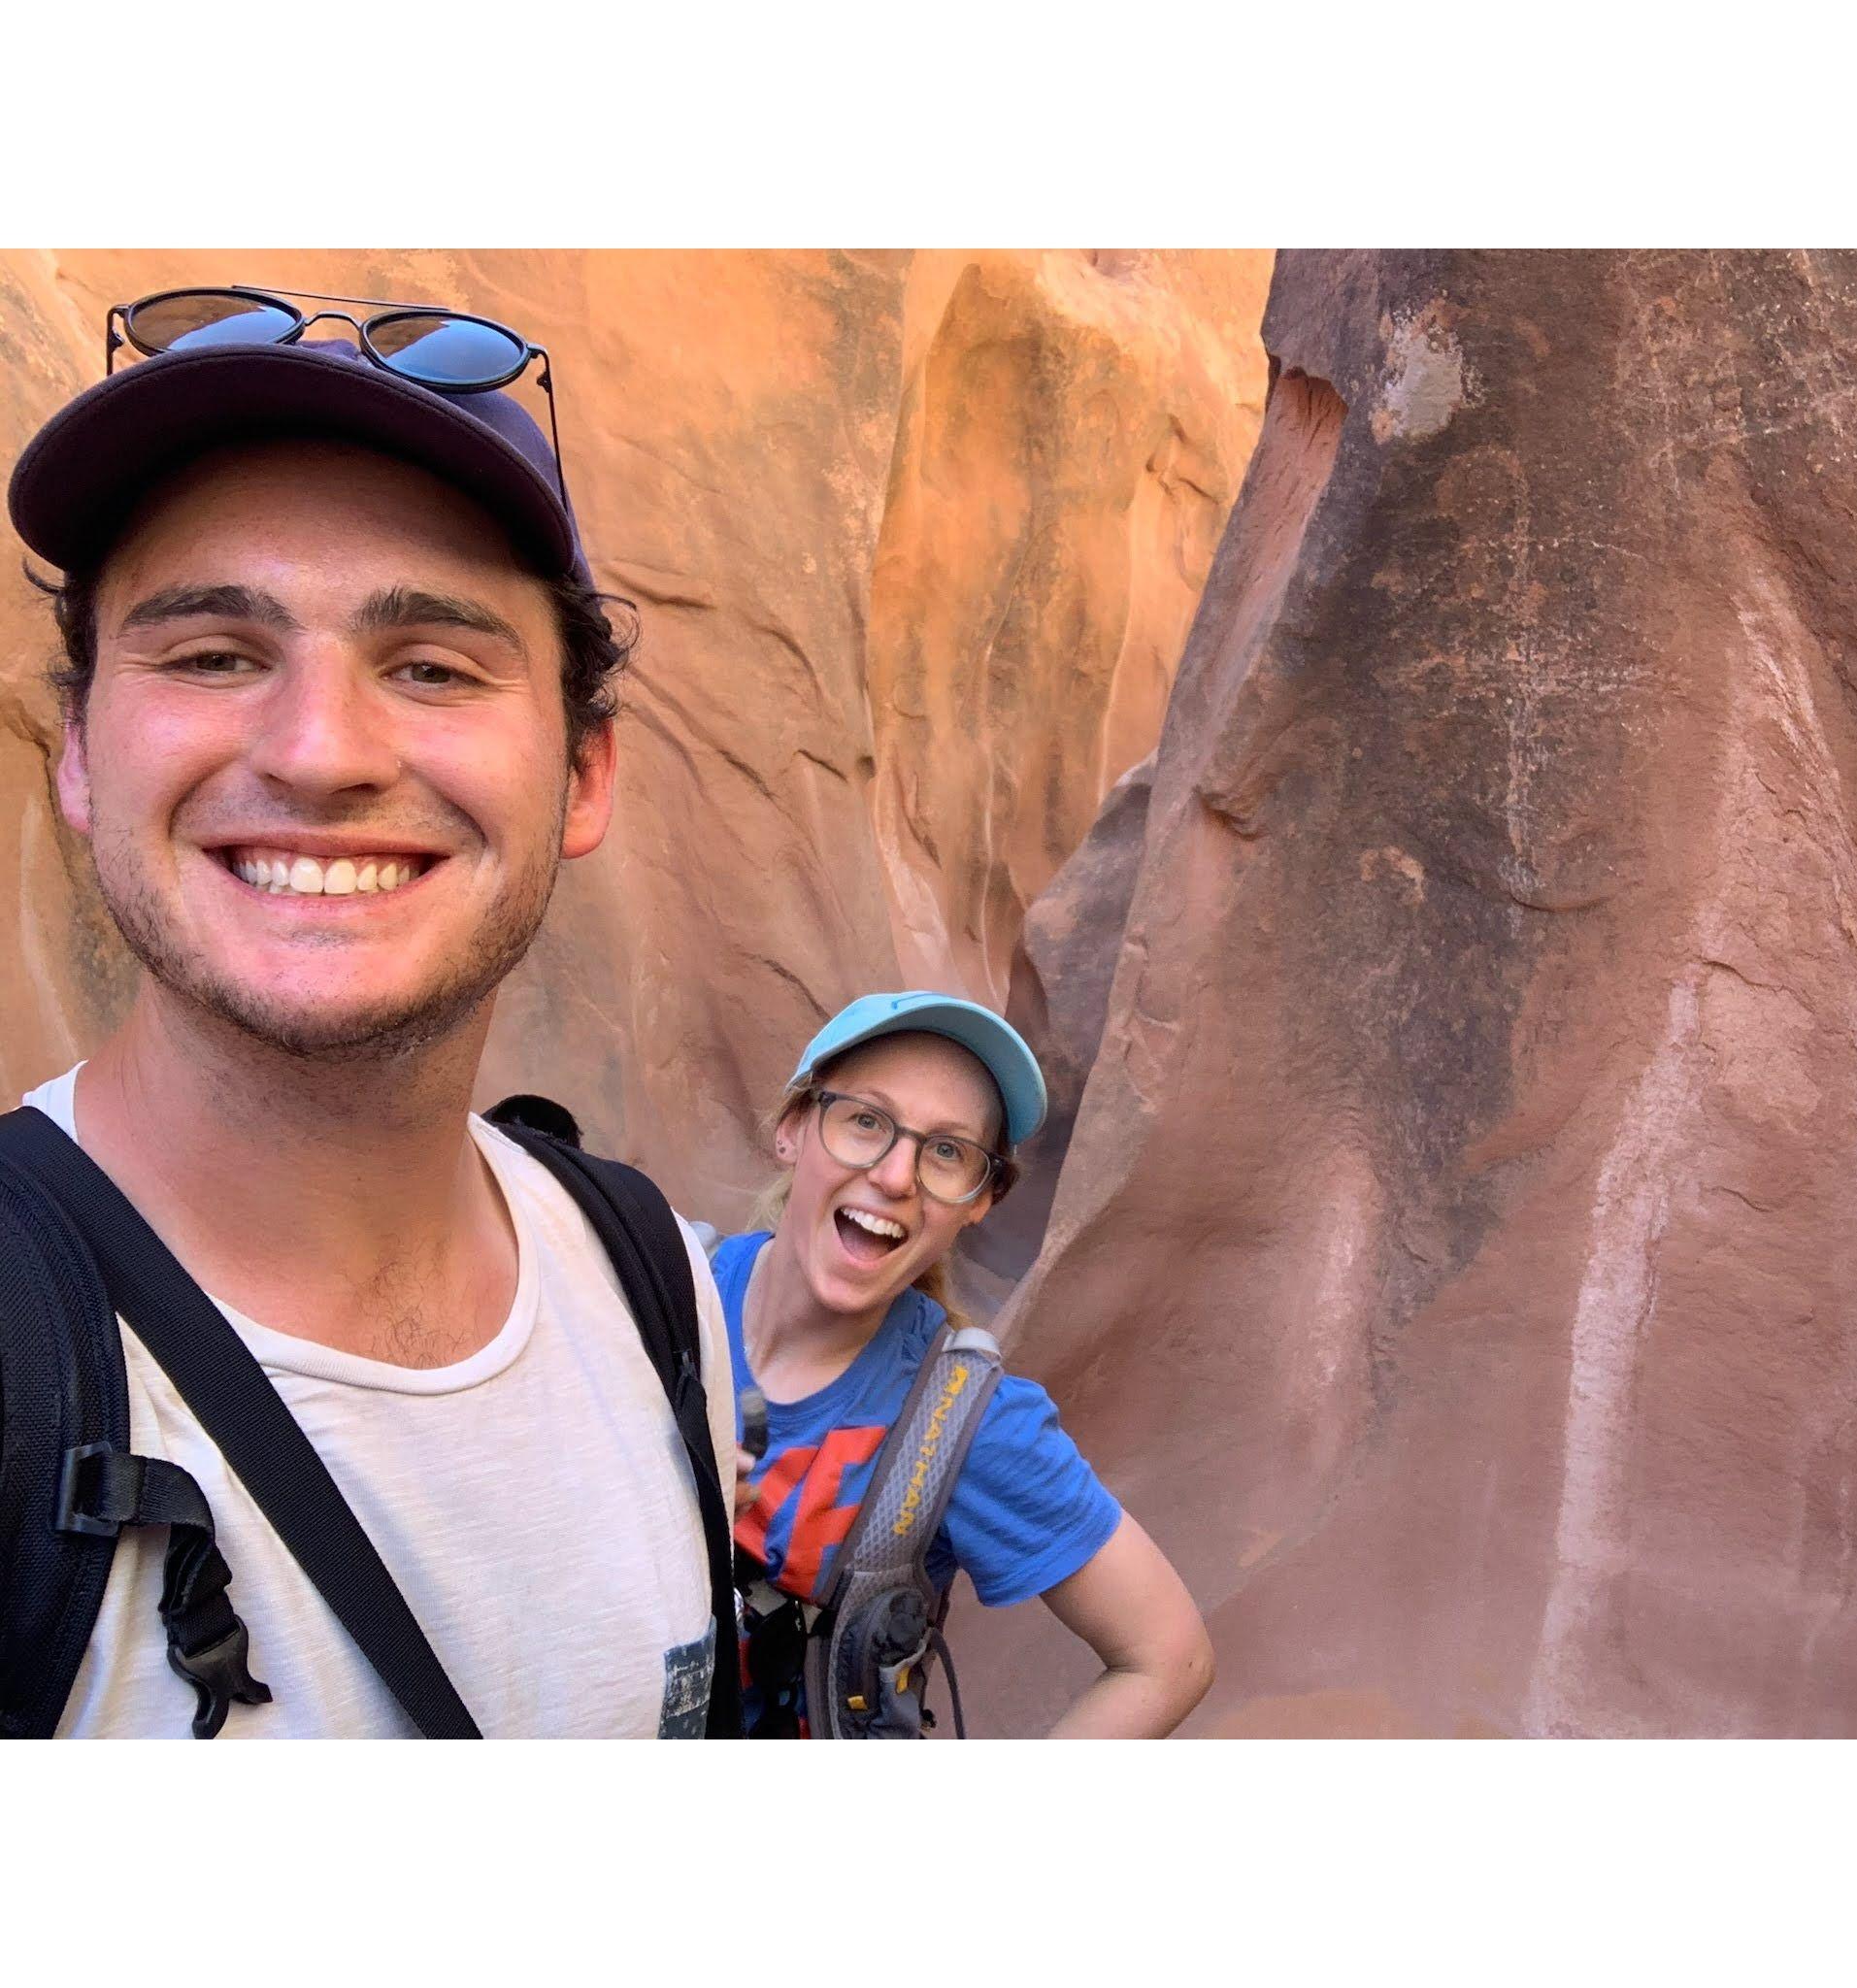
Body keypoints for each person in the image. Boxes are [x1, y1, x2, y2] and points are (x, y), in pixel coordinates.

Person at [1, 283, 735, 1738]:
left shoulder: (651, 1283)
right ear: (80, 751)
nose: (321, 751)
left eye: (432, 667)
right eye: (213, 654)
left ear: (584, 776)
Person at [713, 990, 1214, 1737]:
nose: (895, 1177)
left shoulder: (963, 1423)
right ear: (793, 1129)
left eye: (947, 1152)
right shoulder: (656, 1288)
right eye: (866, 1122)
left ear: (982, 1199)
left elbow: (1169, 1656)